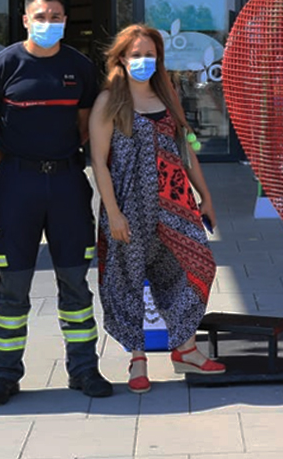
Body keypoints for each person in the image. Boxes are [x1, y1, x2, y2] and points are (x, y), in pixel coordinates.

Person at [0, 0, 111, 406]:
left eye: (56, 16)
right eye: (41, 16)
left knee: (75, 281)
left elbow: (85, 125)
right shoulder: (2, 66)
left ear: (65, 21)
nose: (48, 22)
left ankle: (84, 369)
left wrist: (54, 160)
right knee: (12, 285)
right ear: (25, 20)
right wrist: (16, 166)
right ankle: (5, 375)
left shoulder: (80, 67)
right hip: (17, 186)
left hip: (67, 183)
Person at [88, 24, 221, 393]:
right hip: (129, 206)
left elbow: (186, 147)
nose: (143, 61)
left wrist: (204, 194)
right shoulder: (108, 103)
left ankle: (185, 347)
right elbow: (99, 161)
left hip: (175, 205)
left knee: (196, 266)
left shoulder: (169, 97)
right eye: (136, 55)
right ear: (121, 59)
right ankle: (137, 360)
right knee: (127, 279)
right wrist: (113, 213)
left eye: (149, 55)